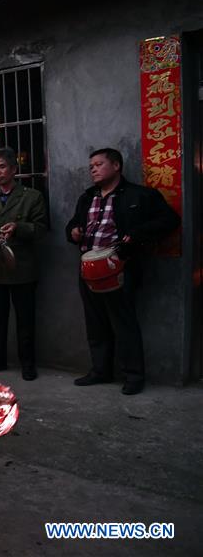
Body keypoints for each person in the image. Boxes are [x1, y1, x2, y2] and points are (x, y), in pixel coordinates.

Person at [66, 148, 180, 395]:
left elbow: (169, 220)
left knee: (124, 323)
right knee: (95, 323)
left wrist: (138, 234)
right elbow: (73, 223)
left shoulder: (139, 195)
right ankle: (100, 371)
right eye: (91, 166)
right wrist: (74, 230)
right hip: (88, 268)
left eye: (99, 164)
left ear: (116, 166)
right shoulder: (87, 197)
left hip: (118, 267)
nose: (93, 169)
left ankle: (134, 376)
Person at [0, 148, 47, 381]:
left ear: (14, 169)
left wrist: (19, 227)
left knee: (25, 319)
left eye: (2, 167)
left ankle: (28, 363)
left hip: (22, 268)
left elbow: (41, 229)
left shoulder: (32, 196)